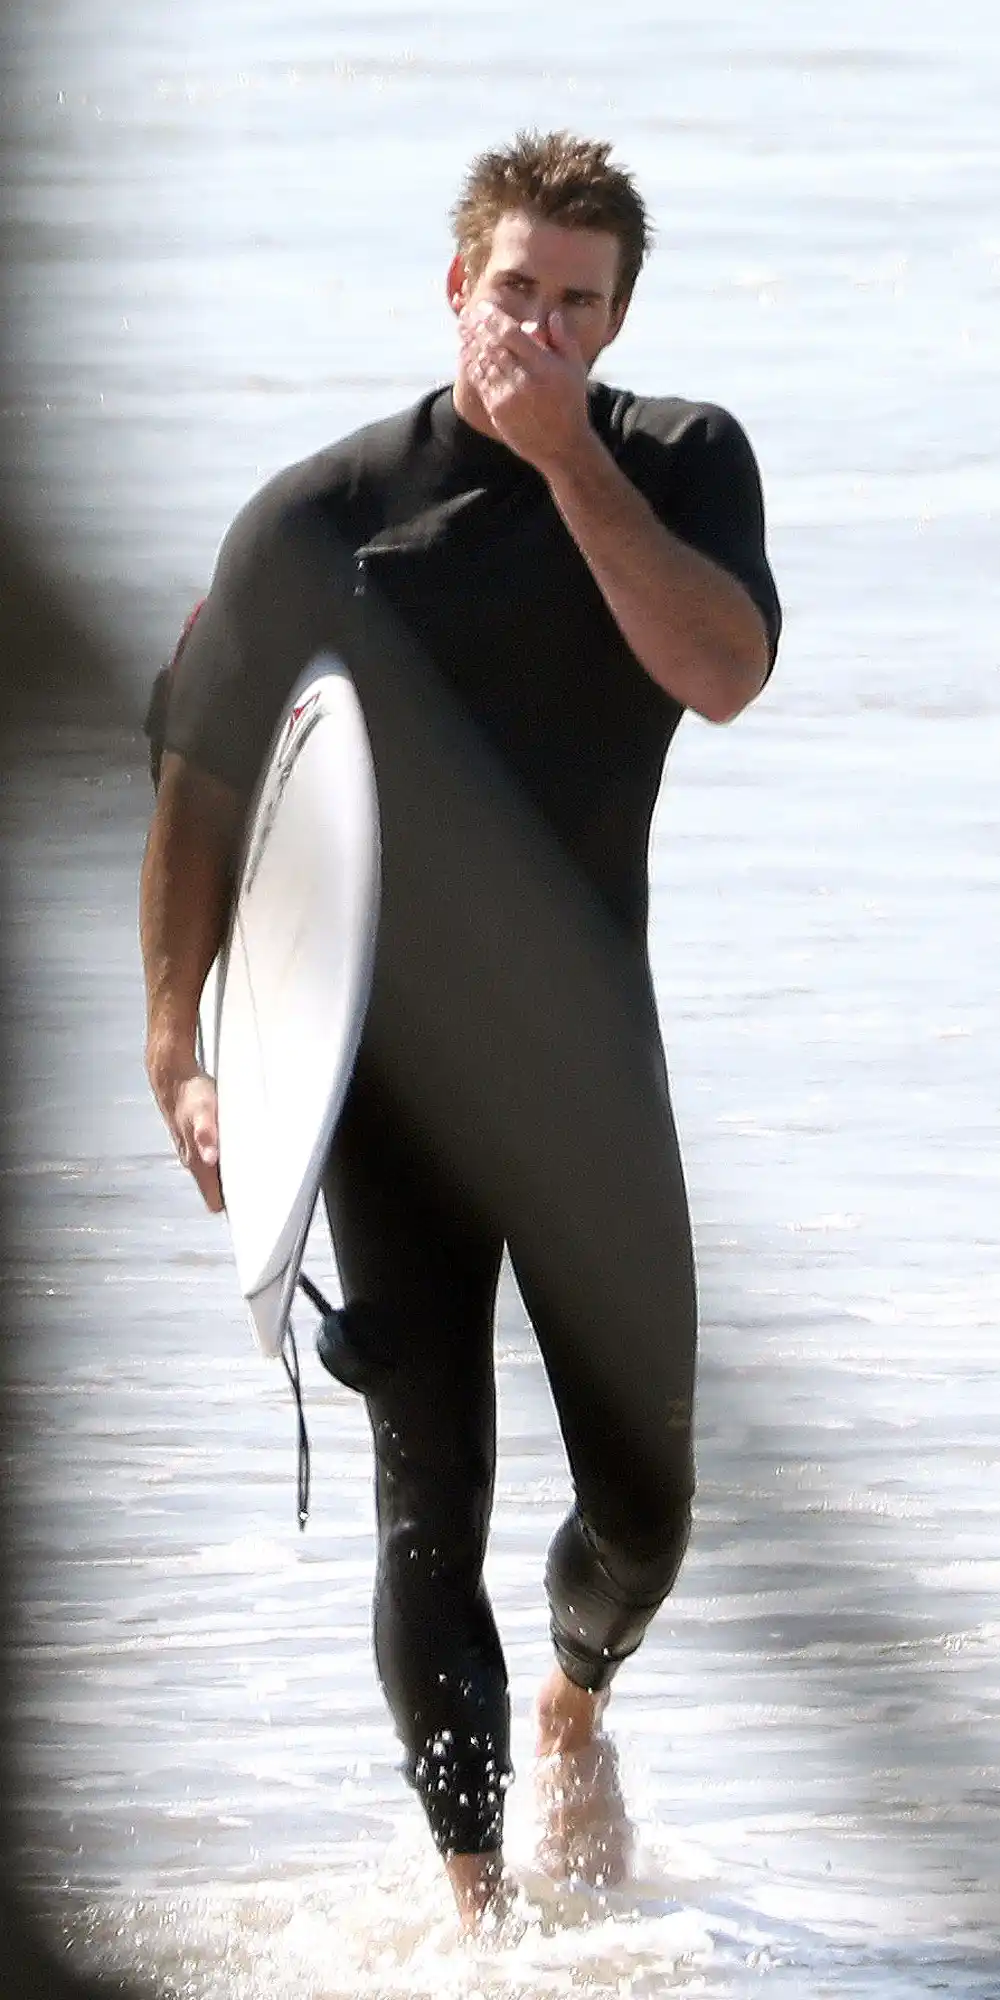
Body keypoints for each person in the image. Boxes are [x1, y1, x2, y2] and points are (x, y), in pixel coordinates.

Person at [139, 129, 781, 1931]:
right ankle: (481, 1917)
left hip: (585, 1069)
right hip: (381, 1081)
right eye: (515, 291)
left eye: (579, 304)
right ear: (454, 286)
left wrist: (569, 457)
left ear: (618, 318)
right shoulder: (318, 517)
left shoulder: (680, 465)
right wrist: (181, 1050)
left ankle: (576, 1692)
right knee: (430, 1500)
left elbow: (721, 673)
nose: (541, 328)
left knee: (646, 1508)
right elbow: (201, 789)